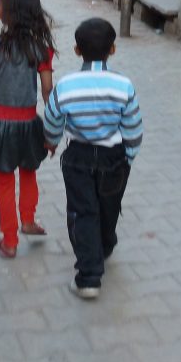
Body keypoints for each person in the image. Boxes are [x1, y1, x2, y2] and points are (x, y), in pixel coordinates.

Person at [42, 17, 143, 300]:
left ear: (76, 50)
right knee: (110, 204)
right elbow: (134, 127)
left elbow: (52, 121)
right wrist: (129, 156)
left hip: (78, 157)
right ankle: (105, 244)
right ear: (113, 49)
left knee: (83, 211)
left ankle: (88, 277)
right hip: (114, 157)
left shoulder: (66, 86)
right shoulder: (123, 85)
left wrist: (50, 142)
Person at [0, 0, 55, 259]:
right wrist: (53, 129)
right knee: (29, 172)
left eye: (0, 4)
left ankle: (9, 240)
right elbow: (47, 91)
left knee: (4, 182)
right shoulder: (41, 48)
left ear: (9, 12)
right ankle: (28, 221)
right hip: (29, 122)